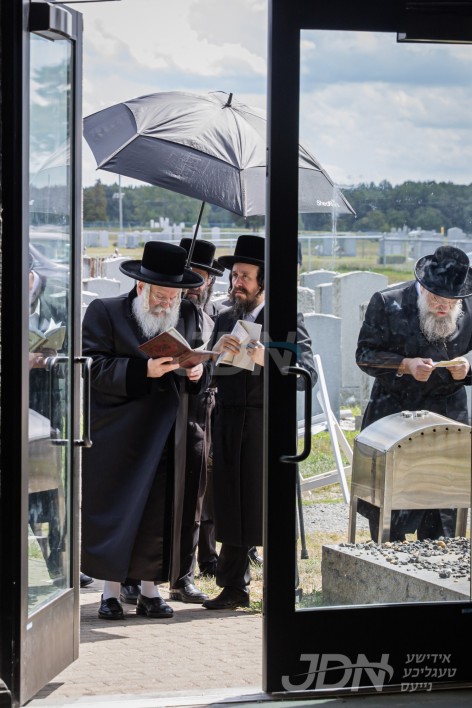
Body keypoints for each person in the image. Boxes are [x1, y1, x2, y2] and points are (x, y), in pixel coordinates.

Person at [81, 241, 209, 620]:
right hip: (118, 432)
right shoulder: (105, 311)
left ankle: (151, 591)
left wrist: (199, 372)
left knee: (158, 513)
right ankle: (110, 591)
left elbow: (199, 360)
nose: (166, 304)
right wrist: (143, 370)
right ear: (141, 286)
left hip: (167, 433)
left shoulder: (188, 313)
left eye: (173, 297)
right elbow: (91, 366)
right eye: (160, 296)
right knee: (117, 512)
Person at [202, 235, 317, 610]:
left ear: (263, 281)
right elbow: (210, 375)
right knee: (229, 502)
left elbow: (306, 372)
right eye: (234, 275)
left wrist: (268, 357)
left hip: (267, 426)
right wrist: (214, 355)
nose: (237, 282)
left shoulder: (285, 317)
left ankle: (284, 587)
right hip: (228, 423)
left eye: (245, 277)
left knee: (268, 505)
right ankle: (233, 586)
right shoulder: (224, 318)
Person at [355, 245, 472, 542]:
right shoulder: (387, 302)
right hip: (396, 412)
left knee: (443, 517)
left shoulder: (469, 309)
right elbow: (365, 355)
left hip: (448, 418)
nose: (443, 306)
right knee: (391, 515)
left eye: (451, 301)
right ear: (424, 286)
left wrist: (467, 368)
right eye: (437, 298)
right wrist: (405, 365)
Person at [164, 237, 224, 602]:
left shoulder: (216, 315)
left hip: (199, 412)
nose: (194, 285)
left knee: (193, 496)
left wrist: (203, 370)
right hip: (160, 411)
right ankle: (133, 578)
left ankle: (183, 575)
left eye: (201, 277)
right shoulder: (161, 309)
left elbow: (216, 365)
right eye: (189, 274)